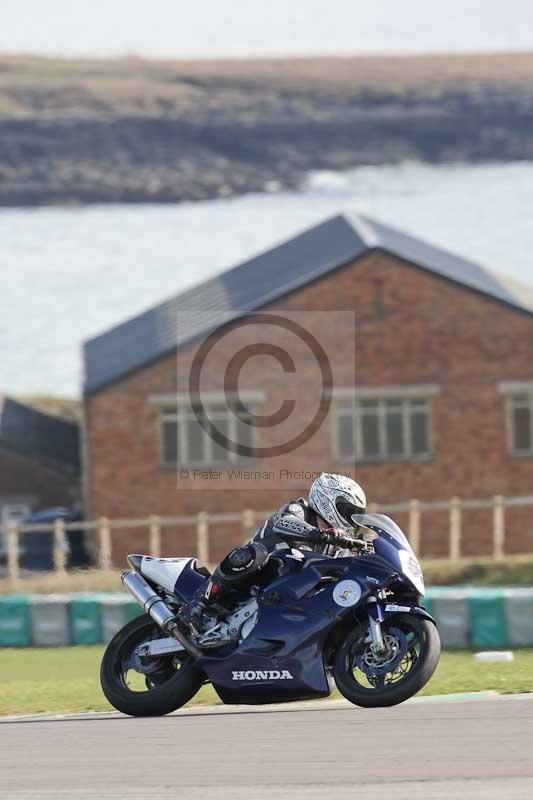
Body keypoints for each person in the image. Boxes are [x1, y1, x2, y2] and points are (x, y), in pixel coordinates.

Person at [179, 473, 367, 636]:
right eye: (348, 511)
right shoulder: (299, 509)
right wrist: (320, 535)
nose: (351, 519)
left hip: (283, 599)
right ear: (328, 500)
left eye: (356, 515)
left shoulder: (338, 546)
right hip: (252, 580)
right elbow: (284, 522)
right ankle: (197, 604)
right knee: (255, 553)